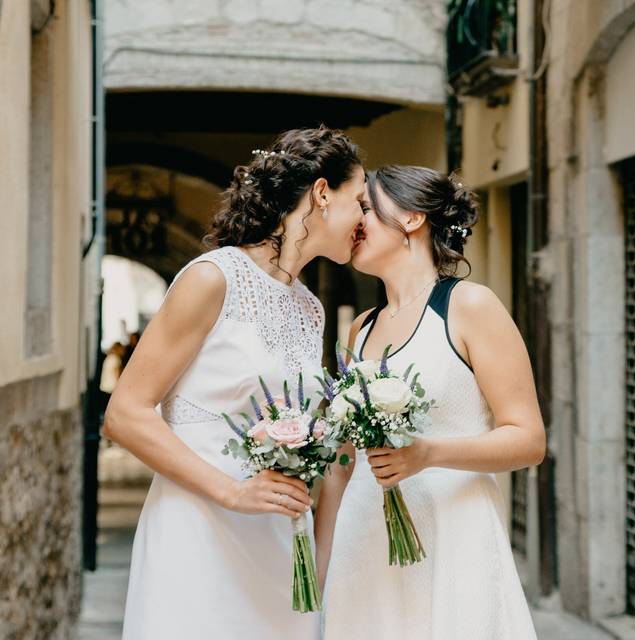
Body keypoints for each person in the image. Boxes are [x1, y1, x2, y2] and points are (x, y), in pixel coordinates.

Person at [103, 127, 366, 640]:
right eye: (358, 200)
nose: (364, 219)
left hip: (277, 538)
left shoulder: (310, 308)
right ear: (320, 194)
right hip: (199, 528)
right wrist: (231, 492)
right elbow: (126, 414)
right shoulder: (212, 278)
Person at [318, 165, 545, 639]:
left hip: (454, 539)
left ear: (412, 218)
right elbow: (343, 462)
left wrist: (428, 454)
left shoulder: (469, 307)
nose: (355, 222)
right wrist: (321, 564)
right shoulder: (359, 328)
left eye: (367, 209)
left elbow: (528, 440)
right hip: (365, 544)